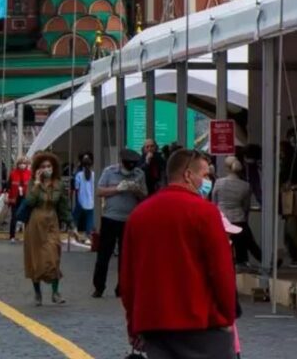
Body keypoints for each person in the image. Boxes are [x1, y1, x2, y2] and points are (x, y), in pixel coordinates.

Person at [121, 150, 237, 358]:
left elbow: (128, 278)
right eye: (204, 175)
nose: (206, 181)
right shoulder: (205, 212)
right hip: (201, 323)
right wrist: (227, 316)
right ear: (188, 175)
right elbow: (222, 272)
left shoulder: (138, 215)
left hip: (154, 324)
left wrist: (134, 324)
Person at [93, 148, 148, 299]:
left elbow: (145, 196)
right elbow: (99, 191)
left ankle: (122, 288)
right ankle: (99, 287)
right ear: (122, 162)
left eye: (133, 165)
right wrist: (117, 189)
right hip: (110, 218)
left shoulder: (138, 174)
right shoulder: (110, 172)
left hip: (129, 220)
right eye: (128, 164)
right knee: (104, 254)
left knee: (126, 257)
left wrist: (136, 190)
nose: (130, 168)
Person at [22, 152, 70, 306]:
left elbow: (63, 206)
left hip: (52, 221)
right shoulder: (32, 183)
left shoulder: (59, 184)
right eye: (43, 166)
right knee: (35, 258)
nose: (46, 169)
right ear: (37, 169)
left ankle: (55, 292)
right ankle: (37, 294)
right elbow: (29, 201)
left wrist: (71, 224)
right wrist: (36, 183)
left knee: (54, 255)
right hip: (35, 222)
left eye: (49, 166)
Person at [213, 156, 261, 266]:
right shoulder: (246, 185)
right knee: (248, 241)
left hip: (222, 219)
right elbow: (246, 206)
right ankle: (245, 262)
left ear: (227, 168)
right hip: (239, 218)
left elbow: (214, 202)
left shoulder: (219, 183)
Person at [7, 156, 32, 242]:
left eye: (24, 163)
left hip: (26, 197)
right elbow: (9, 186)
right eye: (21, 163)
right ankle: (12, 236)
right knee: (14, 216)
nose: (22, 165)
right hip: (15, 197)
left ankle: (27, 236)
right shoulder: (13, 173)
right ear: (17, 164)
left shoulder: (29, 173)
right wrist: (8, 197)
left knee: (27, 217)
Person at [72, 153, 95, 243]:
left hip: (81, 200)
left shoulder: (79, 175)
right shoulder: (94, 174)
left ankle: (74, 230)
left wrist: (77, 199)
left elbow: (76, 188)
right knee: (89, 218)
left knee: (75, 216)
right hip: (91, 201)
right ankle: (88, 235)